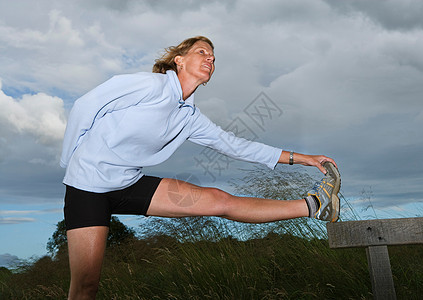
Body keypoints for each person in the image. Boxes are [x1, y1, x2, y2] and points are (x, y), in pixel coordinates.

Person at [60, 36, 340, 299]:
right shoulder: (150, 86)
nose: (210, 59)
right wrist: (70, 161)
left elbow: (235, 146)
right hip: (87, 187)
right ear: (179, 60)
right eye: (202, 52)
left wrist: (304, 158)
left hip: (129, 183)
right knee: (86, 286)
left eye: (214, 58)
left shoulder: (189, 117)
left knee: (219, 200)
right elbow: (86, 106)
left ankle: (315, 205)